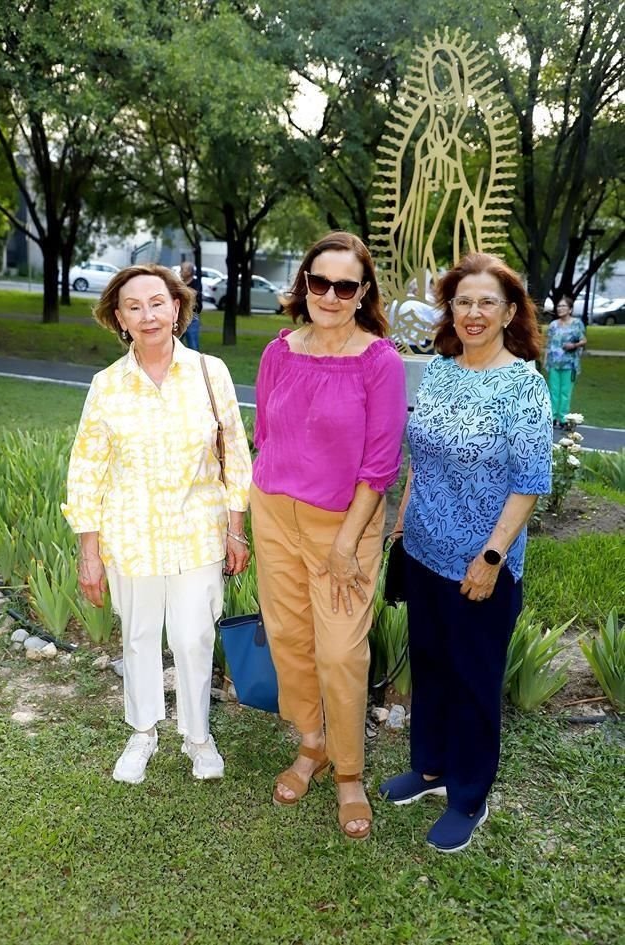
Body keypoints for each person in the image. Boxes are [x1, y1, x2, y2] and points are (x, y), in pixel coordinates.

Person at [380, 252, 552, 853]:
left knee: (474, 678)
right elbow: (421, 458)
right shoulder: (442, 370)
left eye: (487, 303)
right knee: (430, 664)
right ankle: (428, 767)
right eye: (462, 301)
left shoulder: (524, 386)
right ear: (449, 310)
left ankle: (469, 795)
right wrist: (403, 524)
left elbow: (528, 482)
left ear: (509, 313)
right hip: (424, 548)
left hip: (482, 563)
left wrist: (491, 558)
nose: (473, 313)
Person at [62, 264, 252, 784]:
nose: (147, 315)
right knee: (140, 637)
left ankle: (198, 736)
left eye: (157, 302)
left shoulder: (211, 373)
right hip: (130, 534)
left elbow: (235, 453)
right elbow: (86, 470)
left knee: (193, 637)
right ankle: (143, 733)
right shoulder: (107, 386)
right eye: (134, 306)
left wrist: (237, 527)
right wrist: (89, 551)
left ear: (176, 309)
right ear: (119, 319)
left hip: (198, 531)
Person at [250, 231, 407, 841]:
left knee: (341, 652)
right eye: (321, 282)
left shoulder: (380, 361)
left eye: (346, 286)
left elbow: (380, 465)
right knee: (289, 639)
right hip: (275, 516)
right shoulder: (278, 351)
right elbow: (267, 431)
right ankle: (311, 744)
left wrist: (345, 544)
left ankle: (349, 773)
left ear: (363, 291)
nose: (331, 295)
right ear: (304, 284)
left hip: (346, 527)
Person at [544, 295, 586, 427]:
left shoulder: (577, 323)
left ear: (570, 309)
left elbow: (583, 340)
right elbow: (548, 344)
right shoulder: (553, 325)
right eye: (559, 306)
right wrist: (545, 360)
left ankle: (563, 418)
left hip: (569, 363)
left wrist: (574, 346)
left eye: (563, 306)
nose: (560, 308)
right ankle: (552, 417)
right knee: (553, 390)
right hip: (554, 363)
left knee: (565, 391)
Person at [179, 261, 203, 351]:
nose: (181, 272)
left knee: (193, 344)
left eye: (183, 270)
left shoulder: (196, 282)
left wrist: (181, 290)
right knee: (174, 342)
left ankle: (196, 363)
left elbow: (193, 293)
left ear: (189, 272)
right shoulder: (179, 283)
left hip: (192, 316)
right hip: (179, 315)